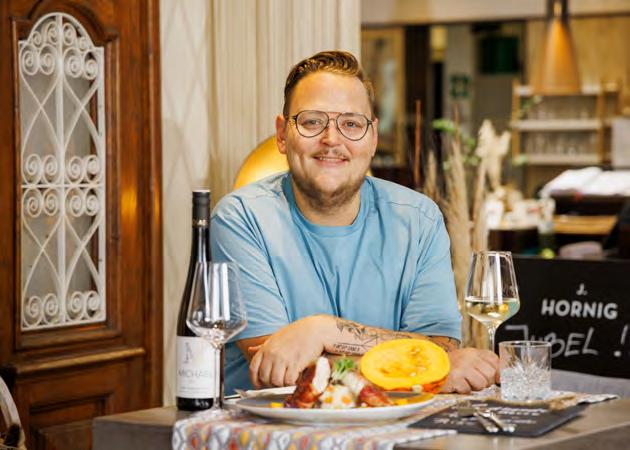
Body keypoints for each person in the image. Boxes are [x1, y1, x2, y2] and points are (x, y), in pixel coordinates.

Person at [212, 50, 498, 395]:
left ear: (372, 137)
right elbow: (280, 370)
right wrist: (418, 366)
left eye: (351, 124)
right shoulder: (241, 219)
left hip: (392, 422)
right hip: (272, 425)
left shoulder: (419, 220)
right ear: (282, 135)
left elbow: (441, 350)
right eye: (312, 121)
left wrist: (324, 331)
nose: (332, 139)